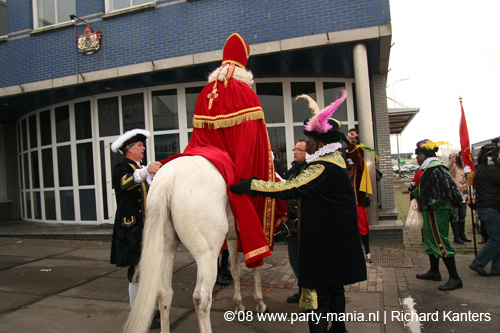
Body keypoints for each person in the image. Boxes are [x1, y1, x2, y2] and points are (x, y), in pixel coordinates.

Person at [230, 91, 366, 333]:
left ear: (322, 140)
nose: (307, 143)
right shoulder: (334, 160)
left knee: (314, 292)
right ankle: (339, 329)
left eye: (310, 139)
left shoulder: (323, 166)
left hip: (322, 242)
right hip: (334, 239)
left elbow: (290, 187)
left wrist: (251, 184)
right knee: (335, 286)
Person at [160, 33, 275, 268]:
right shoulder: (245, 93)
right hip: (230, 162)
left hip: (204, 152)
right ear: (244, 62)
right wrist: (245, 177)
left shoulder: (205, 93)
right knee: (242, 193)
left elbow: (199, 137)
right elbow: (252, 142)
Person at [109, 129, 162, 327]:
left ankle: (149, 308)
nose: (143, 148)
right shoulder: (121, 167)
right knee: (136, 271)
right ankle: (138, 313)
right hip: (130, 229)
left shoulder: (140, 168)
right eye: (140, 145)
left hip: (145, 228)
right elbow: (125, 183)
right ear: (129, 148)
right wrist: (146, 171)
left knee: (149, 269)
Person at [412, 139, 464, 291]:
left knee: (440, 241)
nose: (417, 158)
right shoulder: (433, 168)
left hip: (437, 210)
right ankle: (434, 272)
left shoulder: (435, 169)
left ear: (426, 154)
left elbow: (425, 191)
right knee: (431, 241)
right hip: (432, 210)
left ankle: (455, 278)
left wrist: (414, 190)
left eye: (419, 155)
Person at [278, 139, 308, 303]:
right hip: (292, 226)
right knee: (294, 261)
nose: (295, 152)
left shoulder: (308, 170)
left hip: (304, 226)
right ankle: (302, 291)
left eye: (299, 149)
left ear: (307, 153)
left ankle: (309, 297)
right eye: (294, 149)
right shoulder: (291, 171)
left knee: (304, 263)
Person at [469, 144, 500, 277]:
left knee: (497, 239)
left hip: (489, 206)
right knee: (496, 239)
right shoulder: (489, 169)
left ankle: (497, 268)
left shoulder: (483, 167)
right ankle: (478, 263)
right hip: (490, 206)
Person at [345, 128, 373, 263]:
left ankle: (367, 252)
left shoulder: (360, 156)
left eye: (353, 135)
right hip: (346, 200)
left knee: (362, 227)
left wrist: (351, 142)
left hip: (357, 200)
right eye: (349, 135)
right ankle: (352, 253)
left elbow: (357, 158)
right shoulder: (346, 159)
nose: (351, 137)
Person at [447, 152, 472, 244]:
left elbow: (470, 180)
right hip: (455, 193)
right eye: (461, 156)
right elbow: (448, 169)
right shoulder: (455, 166)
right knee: (455, 215)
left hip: (464, 193)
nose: (462, 158)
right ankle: (456, 236)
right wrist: (451, 160)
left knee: (463, 215)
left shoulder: (466, 167)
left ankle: (462, 234)